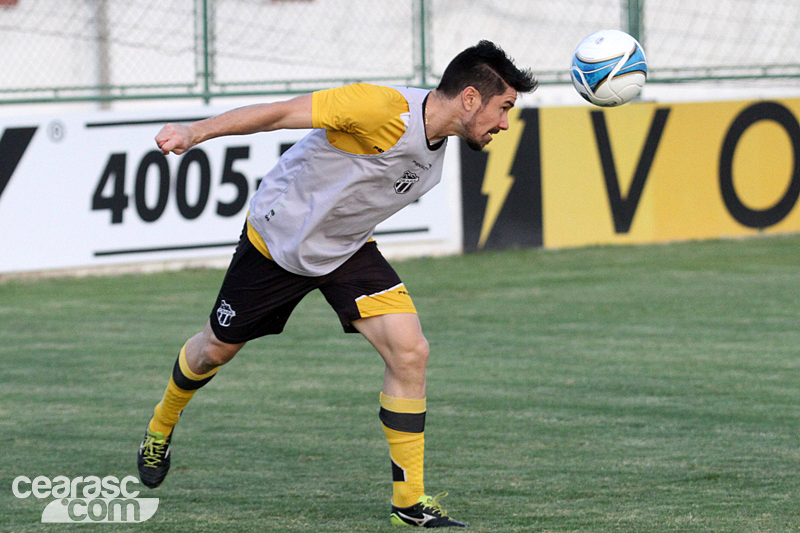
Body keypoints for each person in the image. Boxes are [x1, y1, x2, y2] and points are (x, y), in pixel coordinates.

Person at [138, 40, 537, 528]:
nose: (504, 123)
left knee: (410, 351)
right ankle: (161, 424)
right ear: (471, 98)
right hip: (277, 244)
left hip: (346, 250)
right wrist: (193, 132)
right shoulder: (380, 108)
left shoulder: (439, 143)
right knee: (212, 352)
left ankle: (409, 505)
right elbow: (280, 113)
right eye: (504, 108)